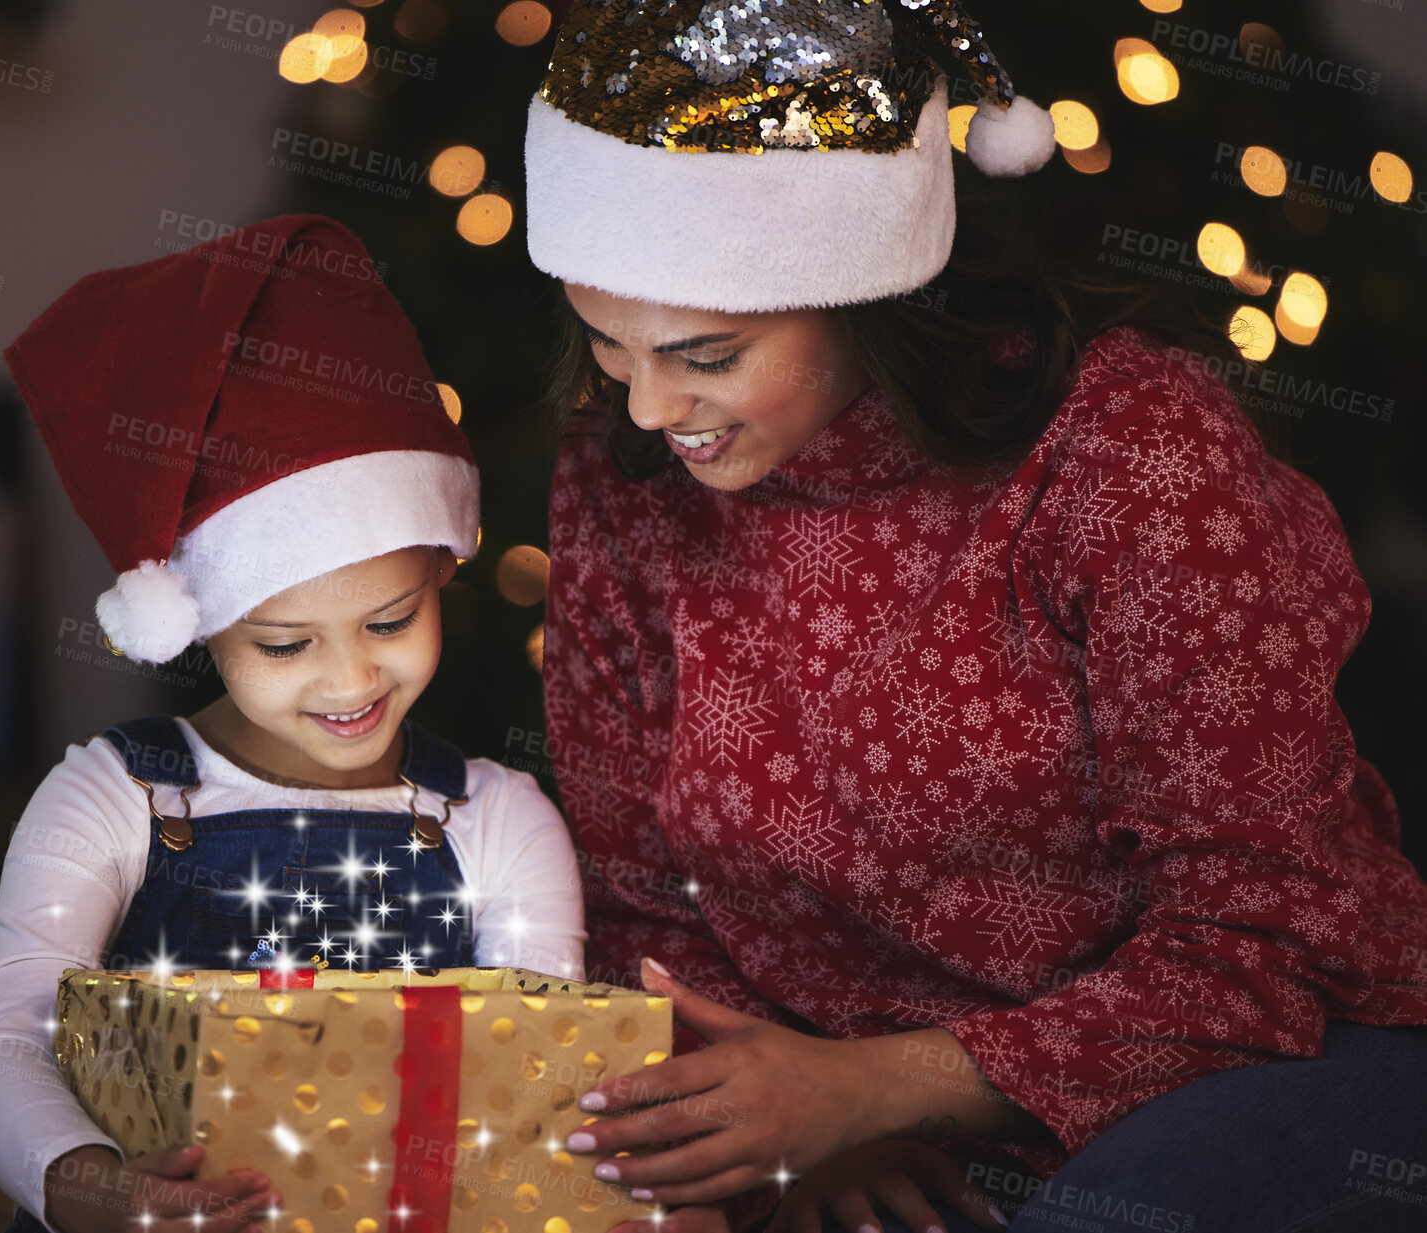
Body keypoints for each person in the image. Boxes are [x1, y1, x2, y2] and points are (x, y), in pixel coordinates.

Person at [522, 4, 1427, 1232]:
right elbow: (633, 900)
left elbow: (1268, 937)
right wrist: (784, 1120)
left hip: (1234, 1075)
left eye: (706, 353)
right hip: (833, 1125)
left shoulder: (1129, 452)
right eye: (606, 344)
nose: (646, 407)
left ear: (862, 295)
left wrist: (872, 1092)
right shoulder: (622, 472)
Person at [0, 216, 586, 1233]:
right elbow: (1, 1041)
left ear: (443, 572)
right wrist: (86, 1184)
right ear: (199, 626)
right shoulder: (118, 797)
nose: (349, 678)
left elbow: (539, 1080)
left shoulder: (499, 821)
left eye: (390, 621)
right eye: (284, 645)